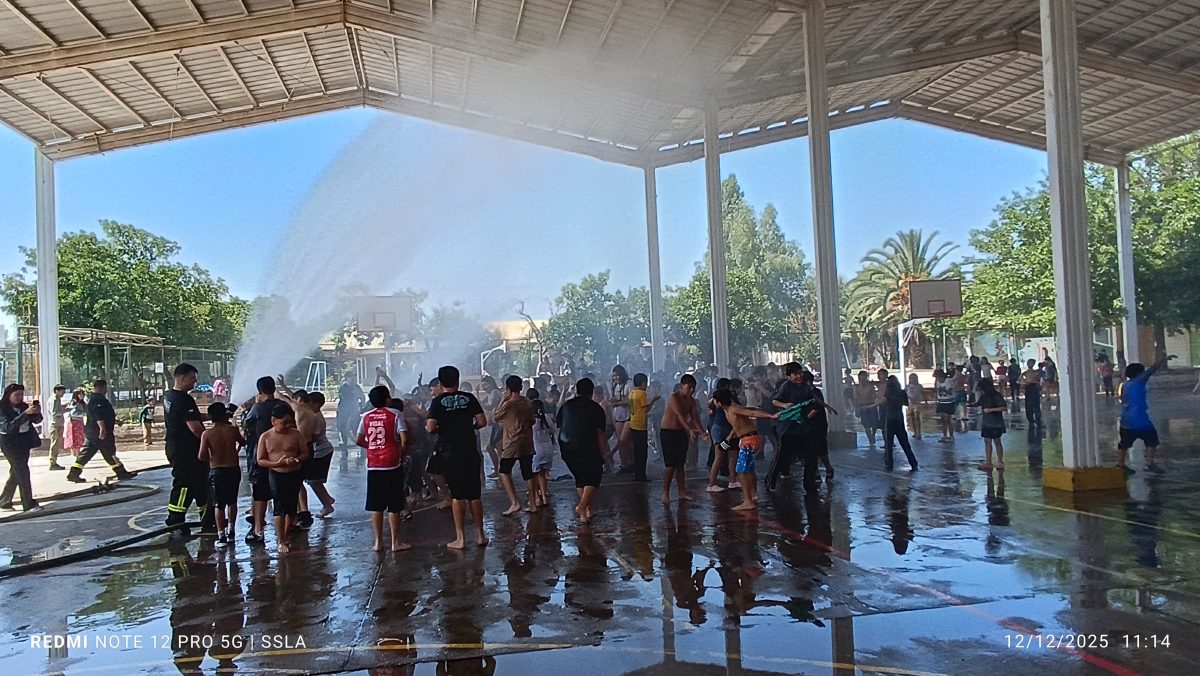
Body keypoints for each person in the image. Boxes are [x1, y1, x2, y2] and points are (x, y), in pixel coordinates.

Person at [427, 365, 489, 550]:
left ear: (440, 382)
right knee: (474, 495)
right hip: (469, 450)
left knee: (457, 496)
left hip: (449, 453)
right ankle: (480, 535)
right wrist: (467, 428)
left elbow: (430, 427)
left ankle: (460, 538)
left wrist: (444, 429)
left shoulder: (438, 401)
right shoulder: (469, 398)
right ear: (458, 379)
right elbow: (482, 422)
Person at [357, 385, 410, 552]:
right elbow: (404, 438)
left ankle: (378, 542)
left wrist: (372, 446)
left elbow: (358, 439)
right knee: (394, 504)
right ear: (387, 398)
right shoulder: (395, 414)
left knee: (376, 504)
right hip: (392, 462)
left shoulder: (365, 416)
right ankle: (395, 542)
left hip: (373, 465)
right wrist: (400, 450)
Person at [162, 364, 214, 535]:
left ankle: (208, 518)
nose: (195, 381)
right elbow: (195, 428)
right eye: (192, 378)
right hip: (186, 451)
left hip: (178, 448)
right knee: (185, 484)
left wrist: (216, 415)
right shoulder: (183, 400)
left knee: (202, 483)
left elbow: (192, 417)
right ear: (182, 377)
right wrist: (211, 442)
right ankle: (175, 520)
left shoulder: (171, 396)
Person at [770, 364, 837, 489]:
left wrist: (827, 406)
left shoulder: (806, 387)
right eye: (795, 374)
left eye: (800, 373)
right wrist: (784, 405)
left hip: (803, 427)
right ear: (789, 376)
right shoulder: (786, 386)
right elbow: (774, 400)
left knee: (810, 456)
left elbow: (815, 399)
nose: (799, 376)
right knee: (782, 457)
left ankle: (809, 484)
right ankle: (771, 483)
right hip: (788, 427)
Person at [711, 389, 777, 511]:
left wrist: (770, 416)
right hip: (750, 438)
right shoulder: (729, 410)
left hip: (749, 440)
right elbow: (737, 426)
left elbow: (752, 412)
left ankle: (748, 501)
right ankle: (753, 494)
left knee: (741, 470)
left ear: (719, 402)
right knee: (749, 469)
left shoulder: (733, 409)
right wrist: (728, 439)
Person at [257, 405, 309, 554]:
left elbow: (305, 453)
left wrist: (297, 460)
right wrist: (276, 464)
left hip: (293, 473)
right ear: (274, 421)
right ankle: (281, 540)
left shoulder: (296, 434)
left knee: (291, 508)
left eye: (290, 422)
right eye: (284, 423)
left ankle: (285, 535)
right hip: (276, 474)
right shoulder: (266, 437)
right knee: (278, 507)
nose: (287, 426)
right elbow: (260, 460)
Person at [556, 378, 608, 522]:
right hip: (585, 446)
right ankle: (582, 506)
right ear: (591, 393)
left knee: (580, 478)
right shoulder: (596, 408)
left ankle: (586, 512)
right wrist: (602, 453)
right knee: (594, 476)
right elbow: (600, 434)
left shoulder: (566, 406)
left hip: (566, 446)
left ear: (576, 391)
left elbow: (560, 427)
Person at [67, 380, 137, 484]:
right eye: (105, 387)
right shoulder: (98, 400)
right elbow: (98, 415)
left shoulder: (94, 399)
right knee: (109, 452)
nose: (106, 390)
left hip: (93, 433)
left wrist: (115, 421)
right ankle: (121, 472)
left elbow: (103, 415)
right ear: (101, 387)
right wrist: (102, 429)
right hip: (99, 433)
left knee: (90, 453)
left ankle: (73, 473)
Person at [198, 402, 244, 548]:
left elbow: (201, 456)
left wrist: (212, 456)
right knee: (232, 502)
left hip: (216, 471)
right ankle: (232, 532)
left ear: (210, 417)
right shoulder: (233, 430)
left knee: (218, 505)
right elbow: (243, 442)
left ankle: (221, 536)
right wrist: (234, 451)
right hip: (233, 469)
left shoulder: (207, 434)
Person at [240, 376, 280, 544]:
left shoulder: (257, 408)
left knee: (260, 493)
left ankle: (258, 529)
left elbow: (246, 424)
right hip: (281, 452)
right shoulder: (282, 406)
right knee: (281, 492)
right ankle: (285, 530)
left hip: (261, 455)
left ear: (259, 391)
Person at [1117, 356, 1169, 475]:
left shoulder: (1125, 385)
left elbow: (1121, 398)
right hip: (1141, 421)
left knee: (1124, 443)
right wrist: (1163, 359)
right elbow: (1152, 370)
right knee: (1152, 441)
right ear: (1139, 373)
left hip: (1126, 420)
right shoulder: (1139, 381)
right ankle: (1150, 464)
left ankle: (1120, 464)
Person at [493, 374, 537, 516]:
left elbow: (495, 417)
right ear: (521, 387)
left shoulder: (509, 404)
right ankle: (533, 503)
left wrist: (502, 399)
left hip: (512, 441)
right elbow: (532, 421)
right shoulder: (527, 402)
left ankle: (514, 502)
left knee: (504, 471)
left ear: (507, 389)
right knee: (527, 472)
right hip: (527, 441)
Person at [0, 383, 42, 512]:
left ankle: (4, 501)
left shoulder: (23, 406)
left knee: (16, 471)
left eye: (21, 395)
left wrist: (36, 412)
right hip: (9, 443)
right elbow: (7, 427)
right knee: (23, 471)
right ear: (9, 395)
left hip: (24, 441)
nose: (19, 397)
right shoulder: (2, 409)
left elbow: (36, 421)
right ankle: (28, 503)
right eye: (16, 395)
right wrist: (25, 414)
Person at [305, 392, 337, 519]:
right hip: (320, 451)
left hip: (321, 452)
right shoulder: (314, 415)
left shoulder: (317, 417)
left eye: (309, 403)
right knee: (313, 480)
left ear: (316, 404)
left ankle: (327, 505)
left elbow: (316, 436)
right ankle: (327, 499)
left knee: (314, 481)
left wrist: (303, 440)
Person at [880, 376, 918, 472]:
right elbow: (906, 403)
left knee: (888, 444)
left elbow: (883, 402)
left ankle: (889, 464)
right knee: (905, 443)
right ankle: (913, 463)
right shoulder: (901, 392)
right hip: (899, 419)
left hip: (890, 419)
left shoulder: (888, 393)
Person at [705, 378, 736, 493]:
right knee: (720, 457)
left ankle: (732, 480)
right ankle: (712, 484)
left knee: (732, 455)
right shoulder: (720, 399)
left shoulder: (716, 400)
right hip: (721, 430)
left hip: (726, 429)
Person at [528, 390, 558, 507]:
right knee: (543, 475)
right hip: (548, 450)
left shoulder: (531, 421)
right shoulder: (546, 417)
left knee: (534, 475)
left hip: (536, 450)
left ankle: (536, 498)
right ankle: (544, 497)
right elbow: (553, 430)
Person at [627, 373, 657, 482]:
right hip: (640, 425)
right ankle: (641, 475)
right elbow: (646, 409)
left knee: (637, 450)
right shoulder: (641, 394)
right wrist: (653, 399)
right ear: (643, 382)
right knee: (642, 451)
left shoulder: (632, 392)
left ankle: (638, 474)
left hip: (633, 423)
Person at [977, 378, 1007, 472]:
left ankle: (1000, 461)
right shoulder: (984, 396)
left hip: (996, 422)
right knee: (987, 441)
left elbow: (1003, 407)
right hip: (987, 422)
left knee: (997, 441)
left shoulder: (996, 395)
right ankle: (988, 461)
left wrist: (991, 410)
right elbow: (978, 403)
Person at [609, 365, 633, 473]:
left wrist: (617, 403)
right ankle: (624, 464)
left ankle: (632, 463)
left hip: (628, 415)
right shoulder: (615, 386)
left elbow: (629, 400)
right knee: (621, 441)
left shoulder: (629, 384)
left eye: (617, 375)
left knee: (625, 441)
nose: (615, 378)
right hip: (618, 415)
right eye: (614, 376)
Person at [336, 374, 365, 449]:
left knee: (355, 427)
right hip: (343, 410)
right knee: (342, 427)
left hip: (353, 409)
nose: (352, 380)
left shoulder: (356, 387)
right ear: (346, 379)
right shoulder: (343, 387)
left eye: (353, 378)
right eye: (350, 378)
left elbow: (362, 397)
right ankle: (344, 444)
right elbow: (342, 397)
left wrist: (361, 407)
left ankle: (360, 444)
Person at [854, 371, 881, 449]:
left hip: (871, 405)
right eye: (861, 377)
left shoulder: (870, 385)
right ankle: (870, 440)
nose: (863, 378)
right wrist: (856, 409)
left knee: (875, 423)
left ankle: (873, 435)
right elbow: (855, 399)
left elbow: (874, 395)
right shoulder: (856, 387)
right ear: (859, 377)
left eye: (864, 376)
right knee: (866, 425)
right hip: (862, 406)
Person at [47, 384, 67, 471]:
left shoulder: (57, 399)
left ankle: (54, 462)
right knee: (54, 444)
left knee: (56, 444)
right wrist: (64, 410)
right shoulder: (54, 399)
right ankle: (52, 463)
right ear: (57, 391)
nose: (63, 394)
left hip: (58, 424)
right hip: (55, 424)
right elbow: (54, 413)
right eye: (62, 392)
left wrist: (64, 407)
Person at [934, 368, 955, 443]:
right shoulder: (937, 382)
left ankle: (951, 435)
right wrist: (936, 400)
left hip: (949, 402)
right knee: (942, 419)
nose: (938, 379)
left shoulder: (948, 381)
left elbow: (950, 391)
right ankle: (944, 435)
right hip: (941, 402)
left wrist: (943, 390)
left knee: (947, 419)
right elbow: (936, 391)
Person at [1021, 359, 1043, 427]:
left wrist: (1036, 383)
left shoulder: (1036, 372)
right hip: (1029, 388)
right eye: (1029, 363)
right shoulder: (1025, 373)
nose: (1030, 364)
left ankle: (1037, 419)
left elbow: (1040, 380)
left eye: (1031, 363)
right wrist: (1025, 382)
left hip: (1034, 387)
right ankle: (1031, 419)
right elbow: (1019, 380)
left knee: (1036, 404)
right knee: (1029, 405)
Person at [66, 388, 86, 457]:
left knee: (79, 437)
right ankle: (74, 453)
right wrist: (83, 413)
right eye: (81, 394)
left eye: (83, 393)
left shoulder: (83, 403)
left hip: (80, 421)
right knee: (74, 437)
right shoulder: (73, 402)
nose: (82, 395)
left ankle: (78, 452)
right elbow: (72, 412)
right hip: (74, 422)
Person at [905, 373, 925, 440]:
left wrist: (925, 400)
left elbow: (923, 393)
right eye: (911, 378)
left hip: (917, 403)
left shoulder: (919, 386)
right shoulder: (907, 386)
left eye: (914, 378)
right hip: (910, 404)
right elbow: (904, 394)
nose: (913, 379)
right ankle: (915, 431)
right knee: (913, 418)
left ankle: (919, 432)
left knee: (917, 417)